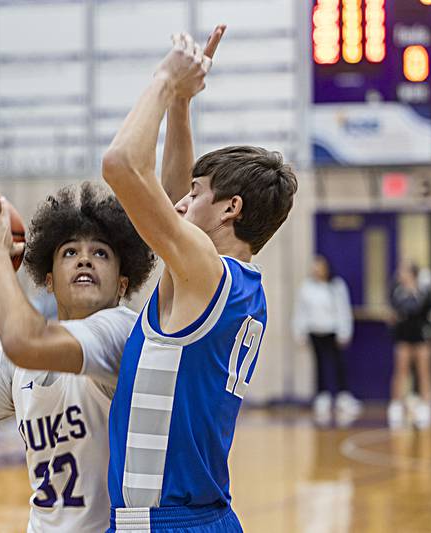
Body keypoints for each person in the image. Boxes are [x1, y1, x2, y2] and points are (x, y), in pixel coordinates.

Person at [100, 28, 297, 531]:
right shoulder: (233, 283)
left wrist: (166, 80)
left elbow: (121, 165)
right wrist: (182, 107)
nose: (181, 204)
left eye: (198, 194)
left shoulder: (206, 272)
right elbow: (170, 196)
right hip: (200, 517)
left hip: (167, 521)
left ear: (232, 208)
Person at [0, 182, 156, 533]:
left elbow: (24, 338)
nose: (84, 259)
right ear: (48, 281)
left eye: (100, 253)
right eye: (69, 252)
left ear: (123, 285)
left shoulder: (122, 333)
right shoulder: (16, 361)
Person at [293, 255, 360, 420]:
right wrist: (299, 331)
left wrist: (345, 331)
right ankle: (322, 397)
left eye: (320, 266)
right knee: (319, 365)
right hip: (315, 331)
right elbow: (300, 311)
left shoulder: (336, 286)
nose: (317, 270)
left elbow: (343, 310)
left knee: (338, 364)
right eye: (314, 267)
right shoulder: (306, 287)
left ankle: (343, 397)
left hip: (332, 331)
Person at [387, 261, 431, 429]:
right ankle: (396, 406)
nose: (400, 274)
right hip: (404, 335)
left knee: (423, 370)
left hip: (421, 334)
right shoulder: (397, 291)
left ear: (412, 274)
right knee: (401, 370)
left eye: (403, 271)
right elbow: (394, 310)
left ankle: (426, 406)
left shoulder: (425, 290)